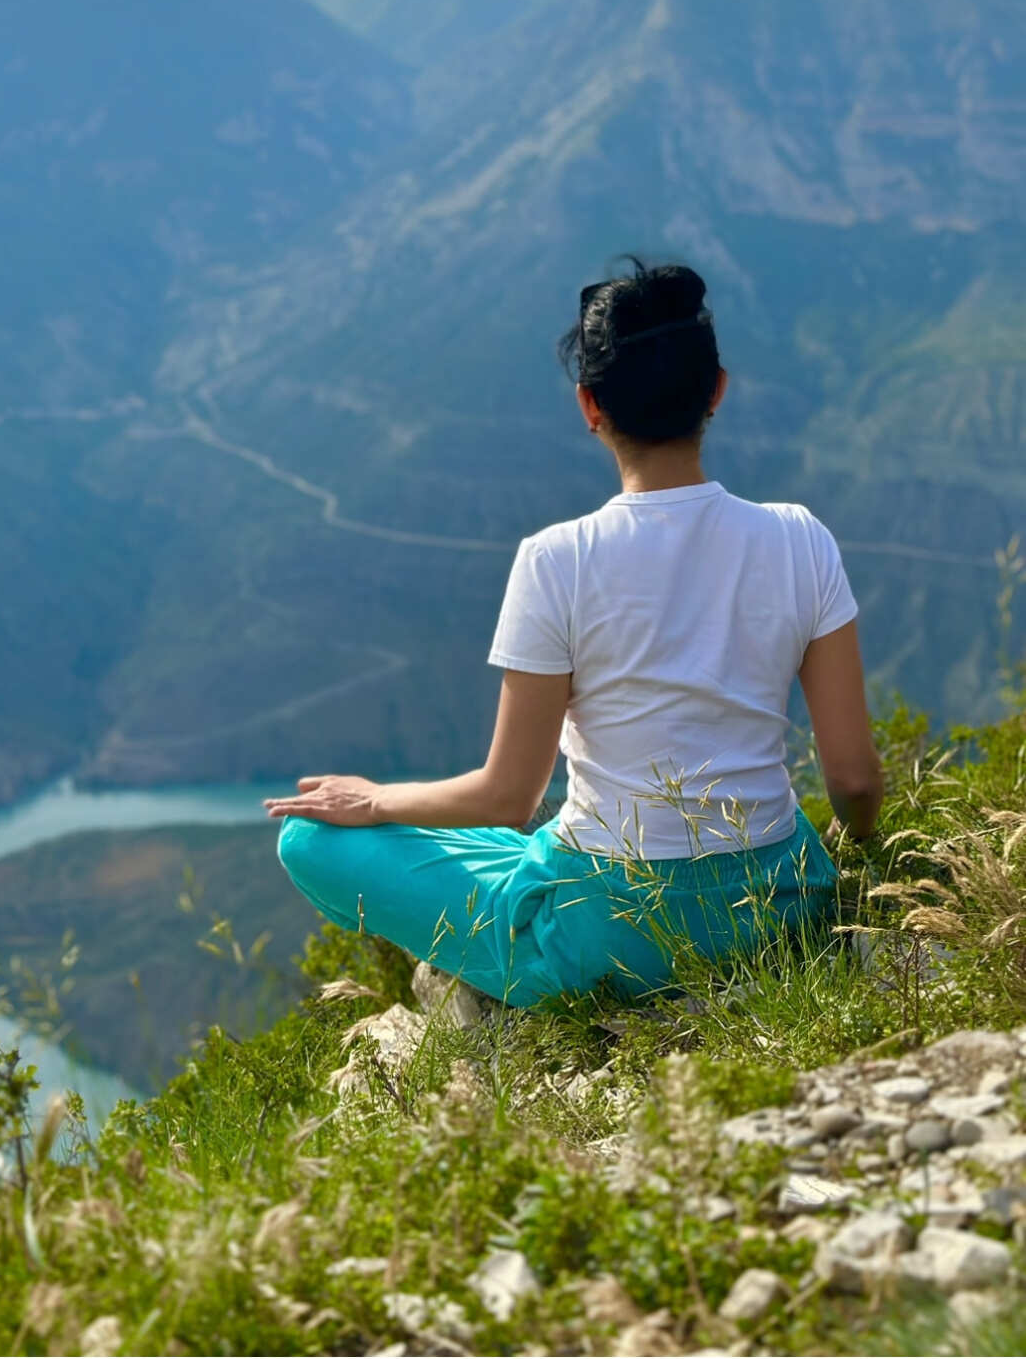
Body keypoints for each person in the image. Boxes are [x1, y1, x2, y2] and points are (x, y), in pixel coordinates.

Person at [267, 260, 884, 1006]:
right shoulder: (801, 539)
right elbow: (854, 780)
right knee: (527, 843)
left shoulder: (557, 559)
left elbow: (507, 796)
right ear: (716, 390)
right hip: (776, 911)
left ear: (590, 405)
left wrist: (374, 801)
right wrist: (862, 856)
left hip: (609, 936)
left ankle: (534, 960)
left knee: (309, 840)